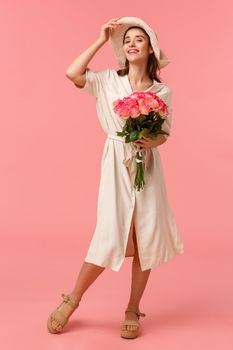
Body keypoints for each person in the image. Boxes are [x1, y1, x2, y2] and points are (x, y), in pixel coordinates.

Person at [47, 17, 184, 339]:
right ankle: (72, 298)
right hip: (115, 162)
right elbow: (72, 73)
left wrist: (152, 141)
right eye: (126, 41)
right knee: (111, 232)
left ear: (151, 47)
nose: (132, 44)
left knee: (145, 235)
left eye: (139, 39)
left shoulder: (162, 90)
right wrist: (99, 39)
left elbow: (164, 133)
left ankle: (133, 308)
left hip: (147, 165)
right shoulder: (108, 80)